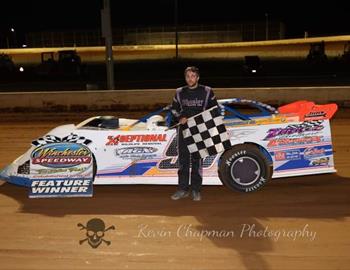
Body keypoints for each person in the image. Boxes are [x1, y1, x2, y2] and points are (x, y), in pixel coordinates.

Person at [170, 66, 219, 201]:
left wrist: (205, 120)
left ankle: (196, 190)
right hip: (184, 130)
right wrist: (180, 117)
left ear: (197, 77)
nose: (190, 79)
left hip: (200, 130)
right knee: (183, 161)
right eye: (187, 76)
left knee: (197, 160)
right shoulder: (179, 92)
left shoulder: (207, 91)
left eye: (193, 76)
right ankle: (182, 189)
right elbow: (173, 110)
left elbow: (215, 109)